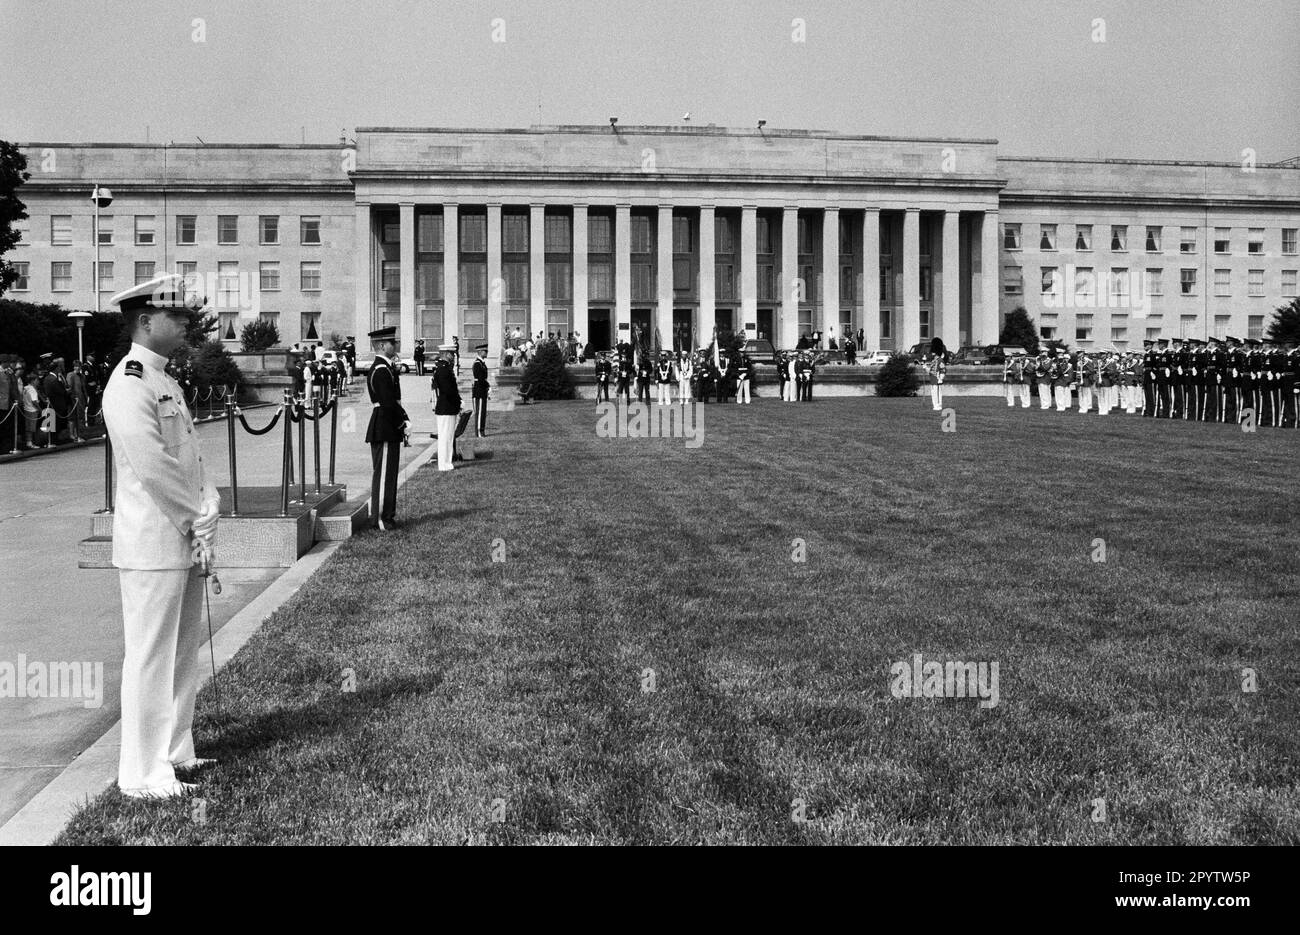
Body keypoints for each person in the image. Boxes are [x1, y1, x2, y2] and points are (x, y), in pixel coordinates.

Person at [102, 274, 220, 799]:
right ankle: (141, 773)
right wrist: (198, 516)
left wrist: (209, 501)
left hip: (181, 535)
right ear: (146, 322)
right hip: (153, 540)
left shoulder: (164, 380)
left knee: (179, 652)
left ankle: (174, 752)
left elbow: (188, 454)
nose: (186, 323)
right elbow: (152, 466)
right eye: (176, 316)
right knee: (150, 655)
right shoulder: (128, 382)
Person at [365, 326, 409, 529]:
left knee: (389, 474)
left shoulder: (386, 368)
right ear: (382, 345)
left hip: (388, 425)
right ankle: (382, 518)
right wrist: (402, 423)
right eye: (392, 342)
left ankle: (386, 515)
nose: (396, 345)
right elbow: (388, 403)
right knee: (383, 475)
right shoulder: (381, 370)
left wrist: (404, 419)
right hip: (384, 425)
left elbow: (394, 402)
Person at [431, 342, 461, 471]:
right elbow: (448, 390)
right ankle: (443, 464)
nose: (453, 356)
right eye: (452, 354)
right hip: (446, 407)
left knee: (448, 436)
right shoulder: (443, 369)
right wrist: (458, 402)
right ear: (446, 354)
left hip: (447, 407)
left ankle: (447, 462)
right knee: (445, 437)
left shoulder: (444, 367)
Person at [471, 343, 490, 437]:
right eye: (485, 351)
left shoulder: (481, 363)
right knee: (479, 413)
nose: (486, 352)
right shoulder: (477, 364)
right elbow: (480, 378)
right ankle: (479, 432)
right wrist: (487, 386)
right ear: (479, 352)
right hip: (479, 390)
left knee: (483, 412)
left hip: (482, 390)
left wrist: (487, 387)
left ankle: (481, 430)